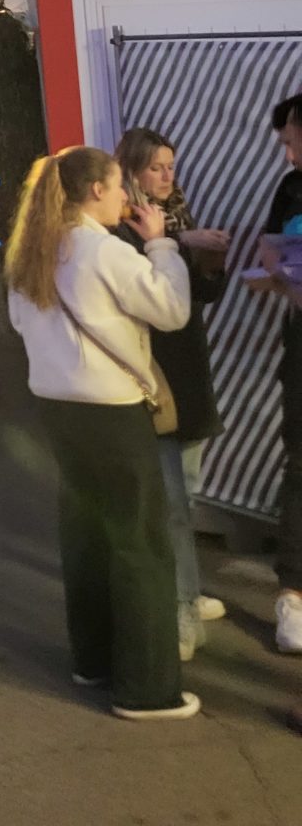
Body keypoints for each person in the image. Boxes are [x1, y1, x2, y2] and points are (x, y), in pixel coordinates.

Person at [5, 144, 196, 720]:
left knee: (85, 535)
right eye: (117, 188)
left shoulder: (29, 250)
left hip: (57, 407)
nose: (123, 198)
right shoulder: (102, 250)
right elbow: (171, 310)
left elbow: (20, 322)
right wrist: (161, 244)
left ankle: (93, 661)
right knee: (139, 543)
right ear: (94, 191)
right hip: (111, 410)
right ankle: (145, 688)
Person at [115, 128, 229, 662]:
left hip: (189, 368)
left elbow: (201, 298)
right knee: (171, 505)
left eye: (171, 166)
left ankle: (186, 590)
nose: (168, 176)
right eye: (157, 167)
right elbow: (139, 281)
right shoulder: (119, 225)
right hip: (153, 373)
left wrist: (213, 263)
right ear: (132, 171)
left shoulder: (176, 217)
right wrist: (181, 245)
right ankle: (180, 608)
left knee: (186, 488)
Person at [257, 93, 302, 657]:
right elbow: (269, 244)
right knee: (300, 464)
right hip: (301, 347)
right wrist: (285, 275)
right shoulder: (290, 187)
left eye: (292, 141)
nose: (288, 156)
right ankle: (293, 593)